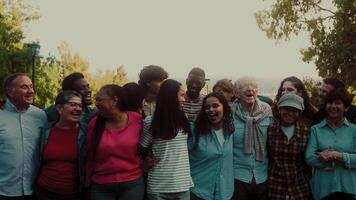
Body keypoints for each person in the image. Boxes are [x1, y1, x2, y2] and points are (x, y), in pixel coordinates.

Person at [85, 84, 144, 200]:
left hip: (132, 183)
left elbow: (145, 145)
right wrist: (86, 183)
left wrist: (146, 164)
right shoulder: (94, 123)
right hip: (101, 185)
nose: (96, 103)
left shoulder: (136, 119)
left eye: (100, 100)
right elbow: (89, 156)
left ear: (114, 100)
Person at [139, 79, 193, 200]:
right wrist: (145, 162)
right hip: (158, 187)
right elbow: (141, 148)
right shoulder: (150, 121)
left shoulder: (184, 120)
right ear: (170, 97)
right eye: (181, 95)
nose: (184, 99)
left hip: (182, 185)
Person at [0, 73, 47, 199]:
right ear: (10, 92)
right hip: (4, 191)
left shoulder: (41, 115)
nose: (31, 91)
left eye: (31, 86)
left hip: (34, 190)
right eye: (24, 87)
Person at [306, 88, 356, 200]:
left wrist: (338, 155)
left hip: (349, 189)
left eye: (338, 103)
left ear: (346, 107)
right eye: (330, 103)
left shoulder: (354, 130)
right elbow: (309, 158)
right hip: (323, 188)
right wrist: (342, 161)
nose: (333, 106)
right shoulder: (316, 130)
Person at [35, 91, 86, 200]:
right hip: (43, 191)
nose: (78, 109)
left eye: (80, 105)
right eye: (73, 105)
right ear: (59, 108)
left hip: (73, 194)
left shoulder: (86, 132)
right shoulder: (46, 130)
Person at [231, 77, 273, 200]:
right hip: (238, 176)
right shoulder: (229, 112)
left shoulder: (267, 110)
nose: (250, 89)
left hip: (262, 175)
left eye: (253, 86)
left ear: (257, 91)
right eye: (245, 86)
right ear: (236, 93)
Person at [189, 92, 235, 200]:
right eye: (207, 107)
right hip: (198, 192)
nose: (211, 110)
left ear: (224, 108)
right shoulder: (195, 131)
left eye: (215, 106)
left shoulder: (230, 131)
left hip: (224, 192)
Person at [268, 93, 312, 200]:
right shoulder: (269, 130)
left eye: (294, 110)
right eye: (286, 108)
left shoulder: (307, 131)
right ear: (279, 109)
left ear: (299, 112)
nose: (290, 113)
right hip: (275, 185)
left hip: (300, 185)